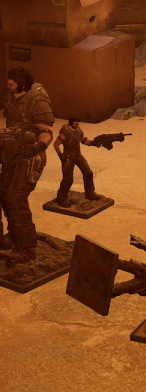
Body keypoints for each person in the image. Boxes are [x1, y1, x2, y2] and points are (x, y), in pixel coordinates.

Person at [0, 68, 54, 266]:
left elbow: (47, 133)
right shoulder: (11, 96)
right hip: (11, 153)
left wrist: (36, 148)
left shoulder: (37, 101)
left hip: (30, 156)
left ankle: (26, 248)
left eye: (12, 83)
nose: (8, 85)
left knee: (16, 198)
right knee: (3, 193)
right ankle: (13, 236)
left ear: (22, 84)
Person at [53, 117, 102, 207]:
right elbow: (55, 144)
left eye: (78, 124)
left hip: (78, 156)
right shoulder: (65, 132)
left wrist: (93, 143)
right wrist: (62, 157)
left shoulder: (78, 130)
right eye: (76, 124)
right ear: (71, 123)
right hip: (68, 157)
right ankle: (61, 198)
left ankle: (90, 193)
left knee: (88, 173)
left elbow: (83, 140)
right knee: (68, 179)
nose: (77, 125)